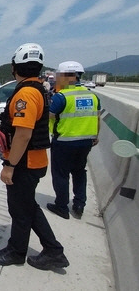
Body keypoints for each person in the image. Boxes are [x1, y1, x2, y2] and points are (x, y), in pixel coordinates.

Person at [0, 43, 69, 270]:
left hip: (25, 163)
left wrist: (9, 165)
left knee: (20, 210)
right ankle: (53, 251)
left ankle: (18, 252)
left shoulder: (25, 93)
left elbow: (23, 134)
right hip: (34, 160)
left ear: (15, 67)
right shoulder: (38, 89)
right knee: (27, 207)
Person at [47, 61, 100, 219]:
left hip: (64, 141)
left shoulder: (62, 97)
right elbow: (97, 118)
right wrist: (96, 136)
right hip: (86, 142)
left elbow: (49, 116)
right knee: (79, 172)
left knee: (60, 174)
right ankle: (79, 204)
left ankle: (62, 207)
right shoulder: (93, 95)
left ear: (66, 77)